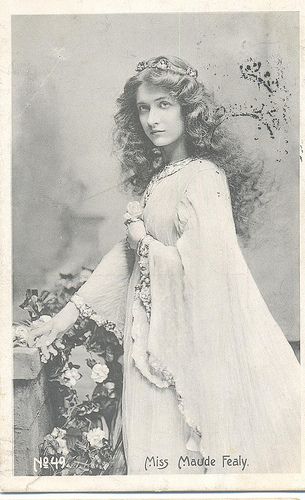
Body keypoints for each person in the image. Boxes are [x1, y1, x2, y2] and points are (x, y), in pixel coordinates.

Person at [29, 55, 300, 475]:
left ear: (188, 110)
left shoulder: (204, 177)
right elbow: (123, 259)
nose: (152, 119)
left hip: (185, 352)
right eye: (143, 107)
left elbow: (207, 275)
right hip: (149, 346)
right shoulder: (162, 177)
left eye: (164, 105)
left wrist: (144, 242)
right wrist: (61, 320)